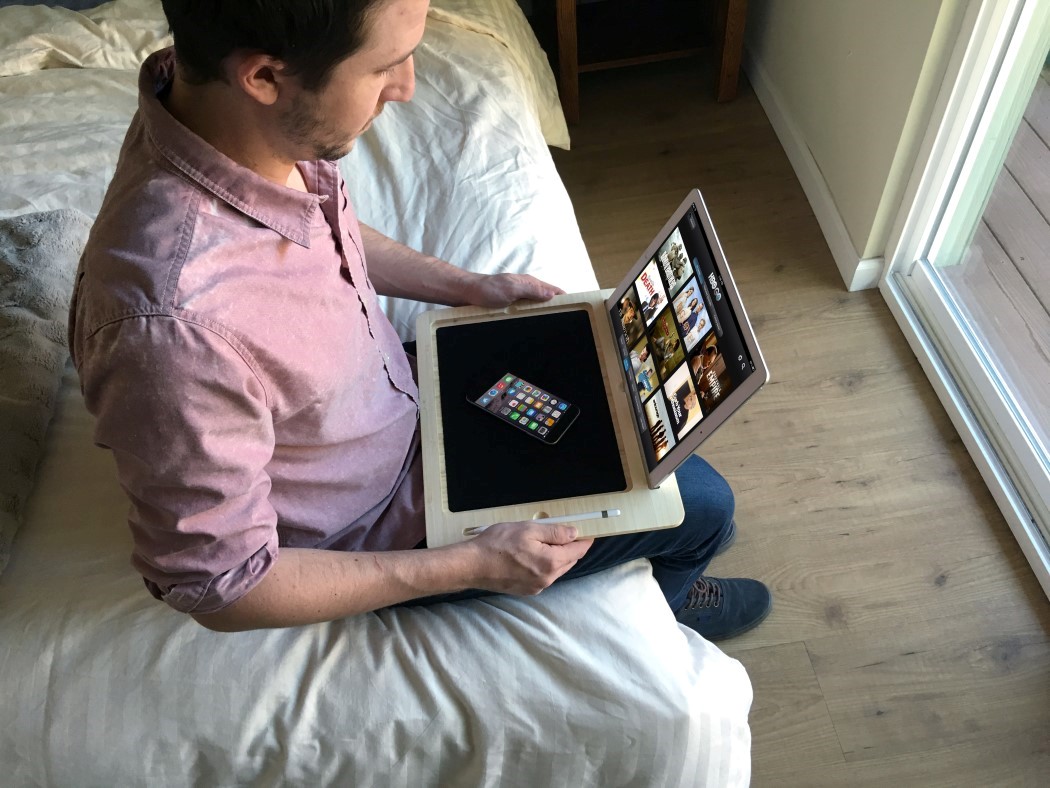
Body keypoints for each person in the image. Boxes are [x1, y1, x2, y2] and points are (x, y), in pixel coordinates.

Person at [69, 0, 771, 639]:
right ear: (262, 77)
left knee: (600, 378)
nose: (406, 87)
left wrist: (466, 288)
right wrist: (470, 564)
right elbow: (224, 588)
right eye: (383, 66)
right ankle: (679, 600)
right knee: (704, 504)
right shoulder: (170, 330)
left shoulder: (214, 120)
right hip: (376, 522)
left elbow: (327, 231)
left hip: (396, 388)